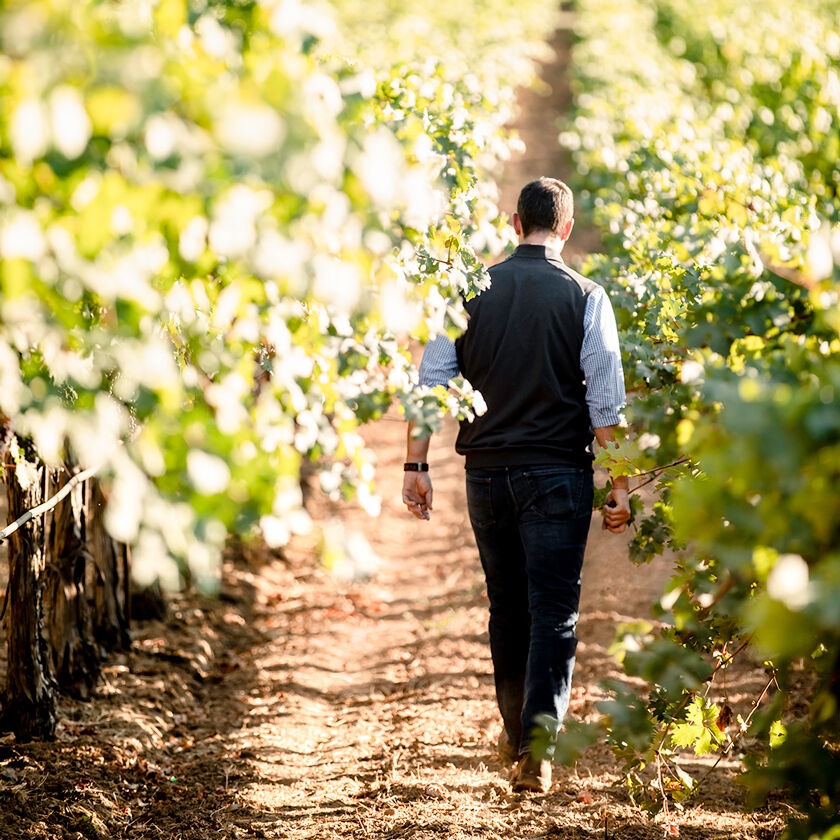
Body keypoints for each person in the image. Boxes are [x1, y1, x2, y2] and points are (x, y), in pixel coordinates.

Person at [401, 177, 632, 793]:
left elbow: (429, 386)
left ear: (512, 224)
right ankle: (538, 744)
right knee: (553, 612)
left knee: (506, 607)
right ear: (566, 228)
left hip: (486, 476)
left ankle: (516, 733)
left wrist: (415, 466)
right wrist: (620, 484)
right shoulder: (588, 297)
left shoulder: (466, 292)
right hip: (557, 474)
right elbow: (606, 406)